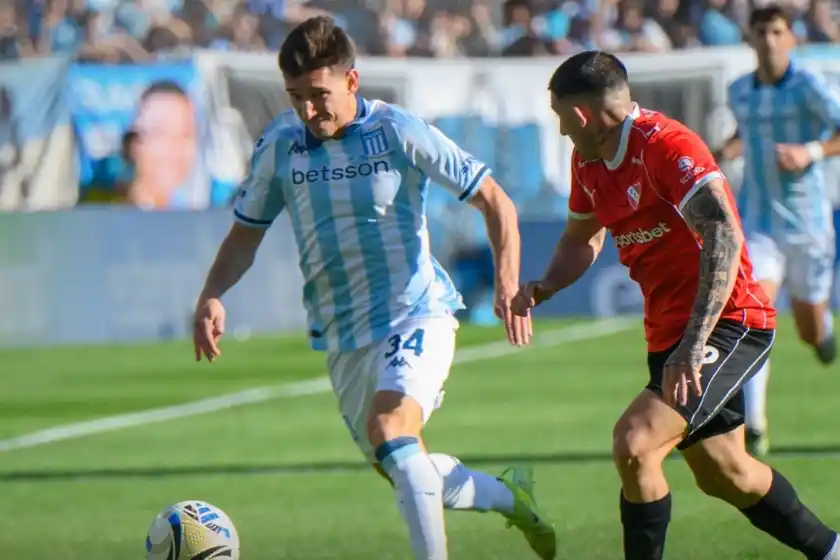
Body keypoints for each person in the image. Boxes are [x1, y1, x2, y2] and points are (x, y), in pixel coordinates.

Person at [192, 16, 556, 560]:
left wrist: (506, 283)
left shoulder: (398, 131)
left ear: (352, 82)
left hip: (416, 315)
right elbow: (246, 234)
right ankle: (511, 497)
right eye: (295, 98)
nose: (309, 112)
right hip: (343, 337)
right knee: (407, 469)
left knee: (391, 429)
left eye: (319, 96)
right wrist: (212, 293)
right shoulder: (281, 146)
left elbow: (494, 200)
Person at [512, 50, 839, 560]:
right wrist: (545, 284)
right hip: (670, 335)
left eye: (560, 120)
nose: (560, 134)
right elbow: (581, 238)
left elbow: (722, 234)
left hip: (729, 323)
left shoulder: (666, 146)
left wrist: (694, 343)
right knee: (727, 475)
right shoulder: (588, 160)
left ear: (580, 116)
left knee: (635, 443)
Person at [716, 4, 840, 457]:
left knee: (808, 329)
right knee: (754, 313)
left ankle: (822, 334)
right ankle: (756, 424)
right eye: (761, 32)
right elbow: (746, 130)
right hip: (758, 223)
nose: (769, 40)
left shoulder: (809, 87)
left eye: (777, 32)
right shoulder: (740, 91)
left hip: (807, 225)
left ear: (791, 39)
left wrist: (810, 151)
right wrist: (726, 148)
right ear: (750, 39)